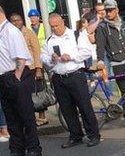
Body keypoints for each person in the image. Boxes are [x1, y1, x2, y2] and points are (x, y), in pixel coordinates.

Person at [0, 4, 42, 156]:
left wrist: (16, 78)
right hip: (2, 78)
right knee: (11, 117)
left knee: (25, 115)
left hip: (14, 77)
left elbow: (21, 57)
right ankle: (17, 148)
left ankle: (33, 148)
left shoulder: (10, 31)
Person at [42, 14, 100, 148]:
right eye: (52, 26)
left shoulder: (76, 35)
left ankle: (93, 134)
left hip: (75, 75)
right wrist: (50, 59)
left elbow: (86, 52)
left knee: (84, 106)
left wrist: (71, 57)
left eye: (57, 25)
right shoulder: (49, 40)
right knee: (66, 108)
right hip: (59, 77)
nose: (55, 28)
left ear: (63, 22)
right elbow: (42, 56)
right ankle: (75, 135)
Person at [95, 0, 125, 128]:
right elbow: (100, 46)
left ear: (117, 10)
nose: (108, 13)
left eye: (110, 10)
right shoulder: (102, 27)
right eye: (106, 11)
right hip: (118, 64)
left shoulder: (124, 24)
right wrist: (100, 61)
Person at [10, 12, 47, 127]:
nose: (16, 22)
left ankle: (42, 117)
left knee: (37, 93)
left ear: (22, 21)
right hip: (18, 69)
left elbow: (37, 51)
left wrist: (38, 69)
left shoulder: (29, 33)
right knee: (25, 95)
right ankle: (29, 117)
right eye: (13, 21)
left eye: (18, 20)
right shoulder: (10, 35)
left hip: (31, 68)